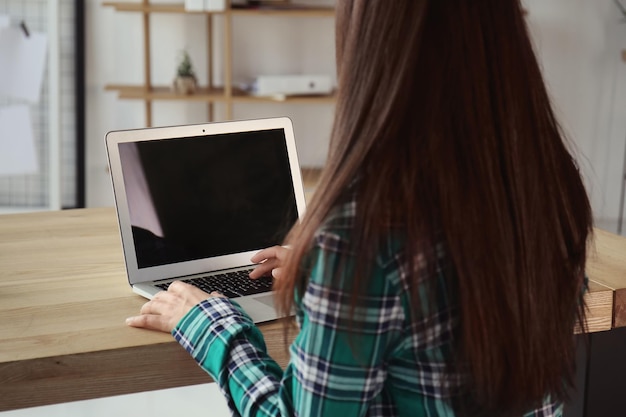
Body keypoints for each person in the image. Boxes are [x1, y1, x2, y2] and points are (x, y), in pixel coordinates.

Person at [125, 1, 593, 416]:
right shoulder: (549, 187)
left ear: (371, 50)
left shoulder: (364, 232)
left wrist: (211, 321)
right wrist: (330, 275)